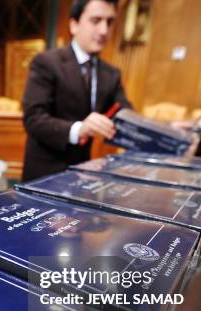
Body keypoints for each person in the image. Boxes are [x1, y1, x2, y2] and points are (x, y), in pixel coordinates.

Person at [22, 0, 132, 181]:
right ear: (74, 25)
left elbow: (126, 114)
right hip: (44, 173)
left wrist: (165, 128)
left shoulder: (111, 74)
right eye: (96, 20)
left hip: (83, 172)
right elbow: (33, 119)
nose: (104, 30)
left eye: (109, 22)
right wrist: (80, 129)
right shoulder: (46, 62)